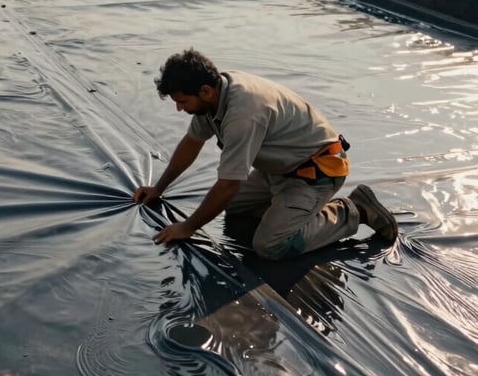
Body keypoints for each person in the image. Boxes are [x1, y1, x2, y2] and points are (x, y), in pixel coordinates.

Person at [132, 49, 398, 259]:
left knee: (271, 246)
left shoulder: (243, 113)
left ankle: (354, 210)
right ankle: (288, 209)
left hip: (315, 173)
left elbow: (228, 186)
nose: (179, 109)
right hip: (278, 170)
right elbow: (191, 143)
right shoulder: (213, 96)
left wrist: (187, 227)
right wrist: (158, 188)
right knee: (234, 208)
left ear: (204, 91)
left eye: (182, 102)